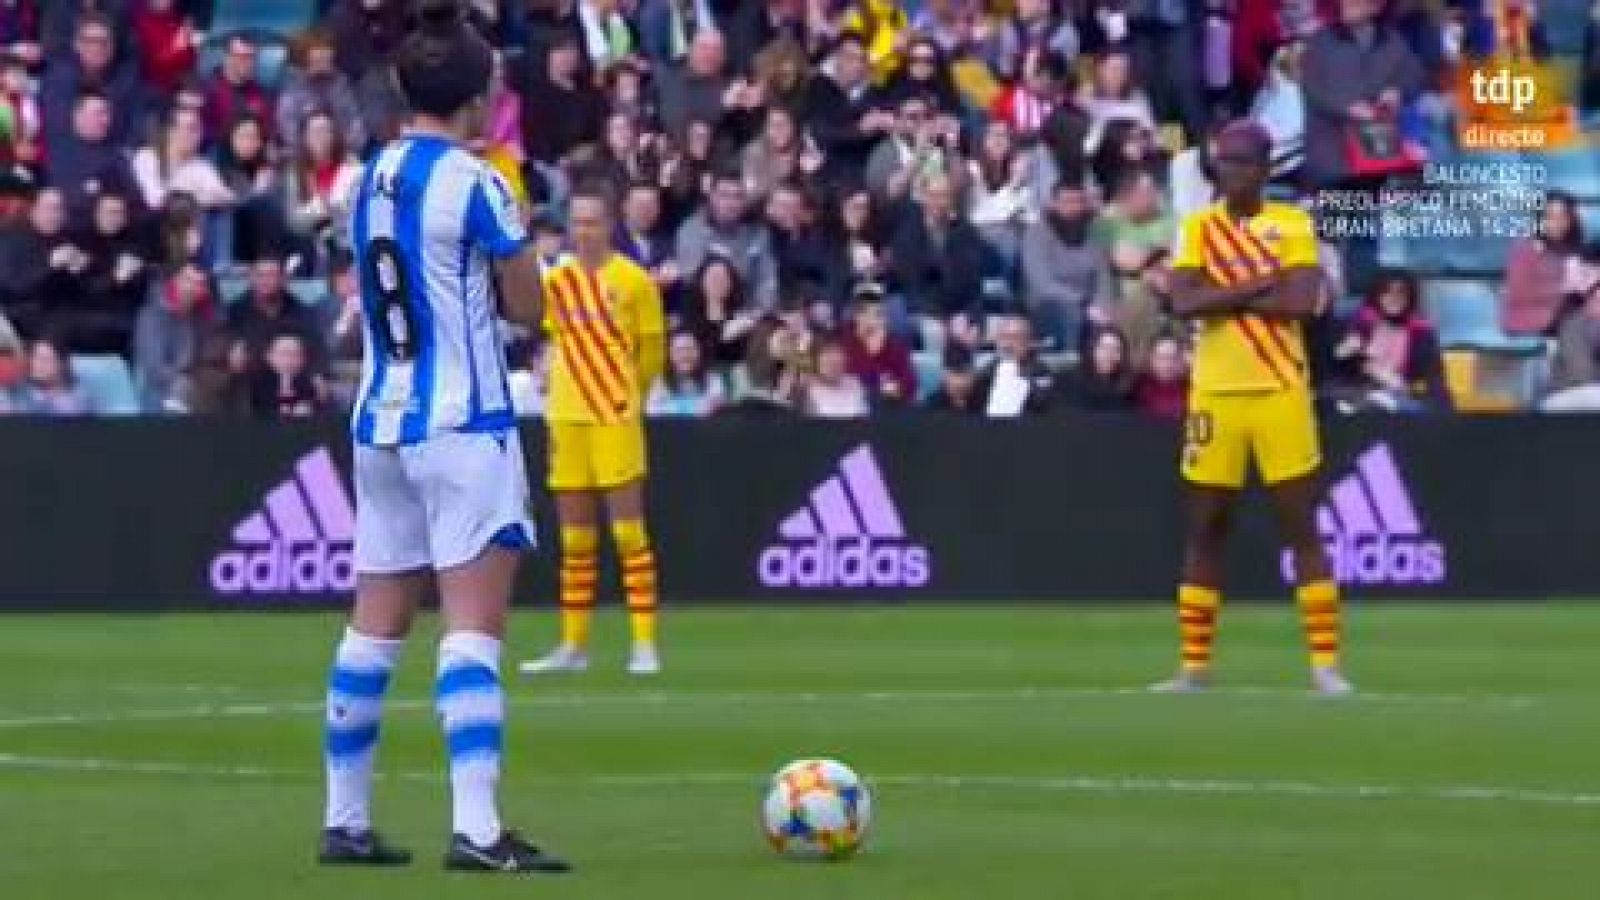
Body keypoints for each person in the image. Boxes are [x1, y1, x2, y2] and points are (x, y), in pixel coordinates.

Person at [317, 0, 565, 875]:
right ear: (480, 94)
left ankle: (344, 821)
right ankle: (479, 828)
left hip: (380, 418)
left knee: (373, 625)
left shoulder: (369, 175)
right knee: (472, 629)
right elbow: (527, 306)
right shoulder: (479, 179)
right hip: (464, 421)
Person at [1153, 121, 1351, 697]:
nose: (1228, 172)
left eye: (1240, 163)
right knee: (1207, 526)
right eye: (1222, 162)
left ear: (1264, 169)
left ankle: (1325, 665)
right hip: (1215, 392)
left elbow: (1301, 302)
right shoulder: (1198, 228)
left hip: (1279, 388)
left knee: (1300, 526)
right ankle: (1194, 667)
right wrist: (1259, 284)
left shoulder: (1292, 224)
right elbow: (1185, 301)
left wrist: (1227, 293)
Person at [520, 180, 666, 678]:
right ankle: (573, 645)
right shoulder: (557, 281)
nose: (583, 232)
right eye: (576, 222)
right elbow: (553, 341)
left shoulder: (633, 281)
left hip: (614, 414)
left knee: (628, 533)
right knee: (576, 540)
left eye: (592, 222)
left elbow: (651, 352)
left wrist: (628, 396)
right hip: (566, 414)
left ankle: (644, 643)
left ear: (610, 225)